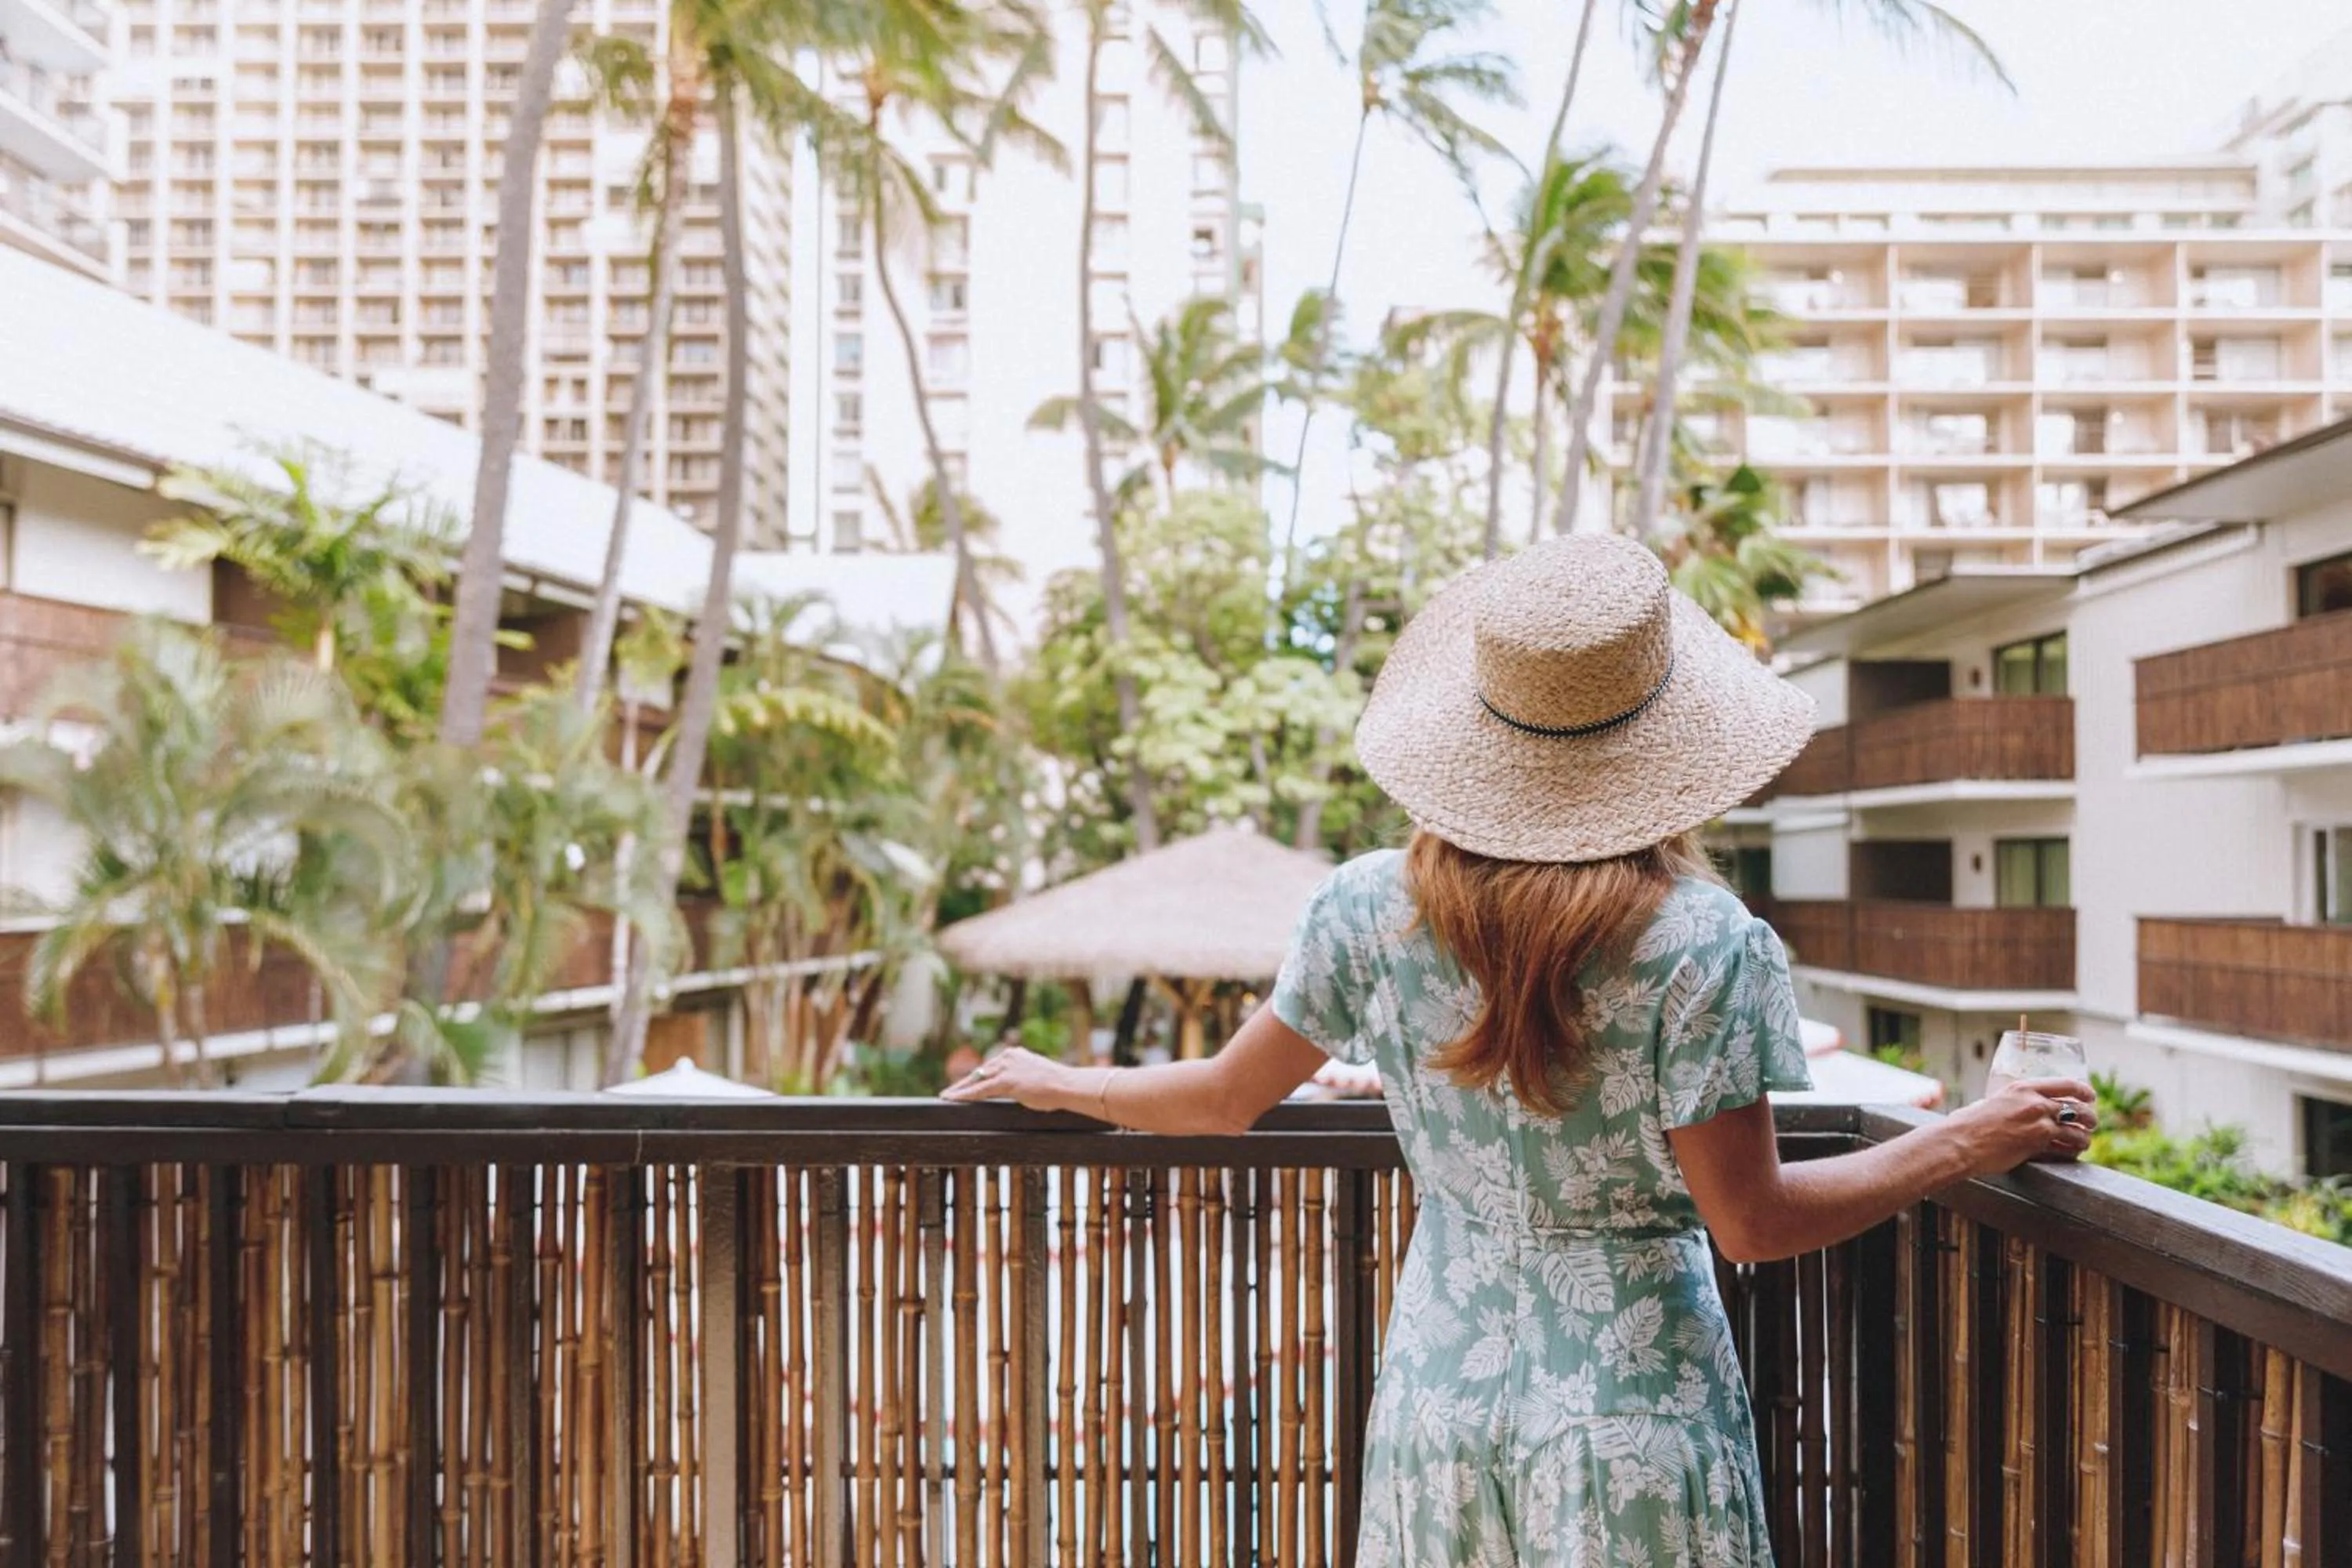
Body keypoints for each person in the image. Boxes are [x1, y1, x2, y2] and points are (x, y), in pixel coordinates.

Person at [944, 534, 2094, 1566]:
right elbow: (1752, 1221)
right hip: (1637, 1421)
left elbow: (1219, 1098)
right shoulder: (1703, 943)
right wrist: (1970, 1137)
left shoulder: (1367, 912)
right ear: (1668, 744)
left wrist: (1061, 1081)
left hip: (1441, 1414)